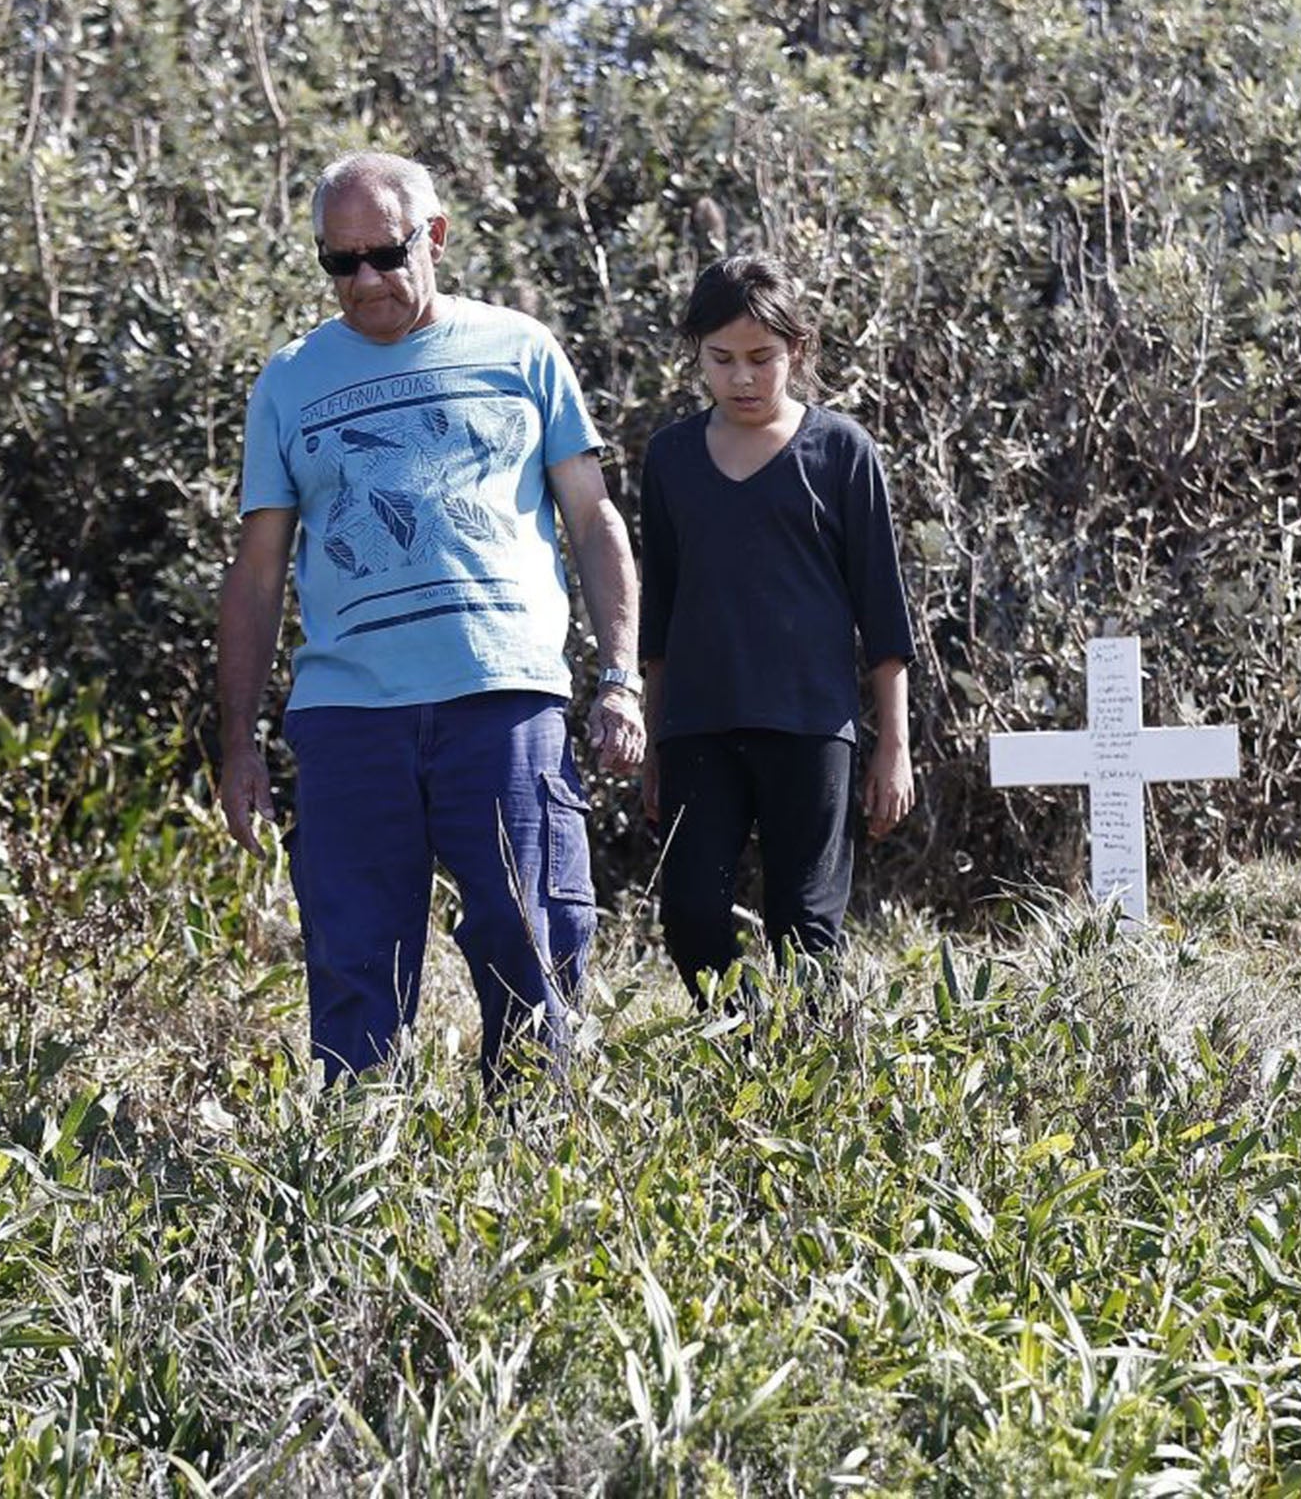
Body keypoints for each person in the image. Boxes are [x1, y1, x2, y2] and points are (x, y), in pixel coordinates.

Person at [216, 151, 645, 1084]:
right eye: (340, 262)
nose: (364, 279)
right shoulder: (289, 381)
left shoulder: (522, 350)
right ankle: (357, 1174)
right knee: (353, 960)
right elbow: (257, 574)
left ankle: (534, 1164)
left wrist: (621, 678)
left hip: (504, 697)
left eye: (384, 253)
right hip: (347, 718)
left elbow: (593, 519)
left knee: (531, 939)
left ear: (436, 237)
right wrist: (239, 740)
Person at [637, 254, 916, 998]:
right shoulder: (668, 459)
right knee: (691, 915)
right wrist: (653, 737)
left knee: (806, 926)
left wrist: (895, 748)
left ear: (799, 349)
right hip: (698, 727)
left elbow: (883, 614)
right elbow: (657, 615)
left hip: (811, 725)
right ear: (694, 354)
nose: (744, 378)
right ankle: (749, 1051)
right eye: (722, 360)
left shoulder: (841, 451)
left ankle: (807, 1091)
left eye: (763, 358)